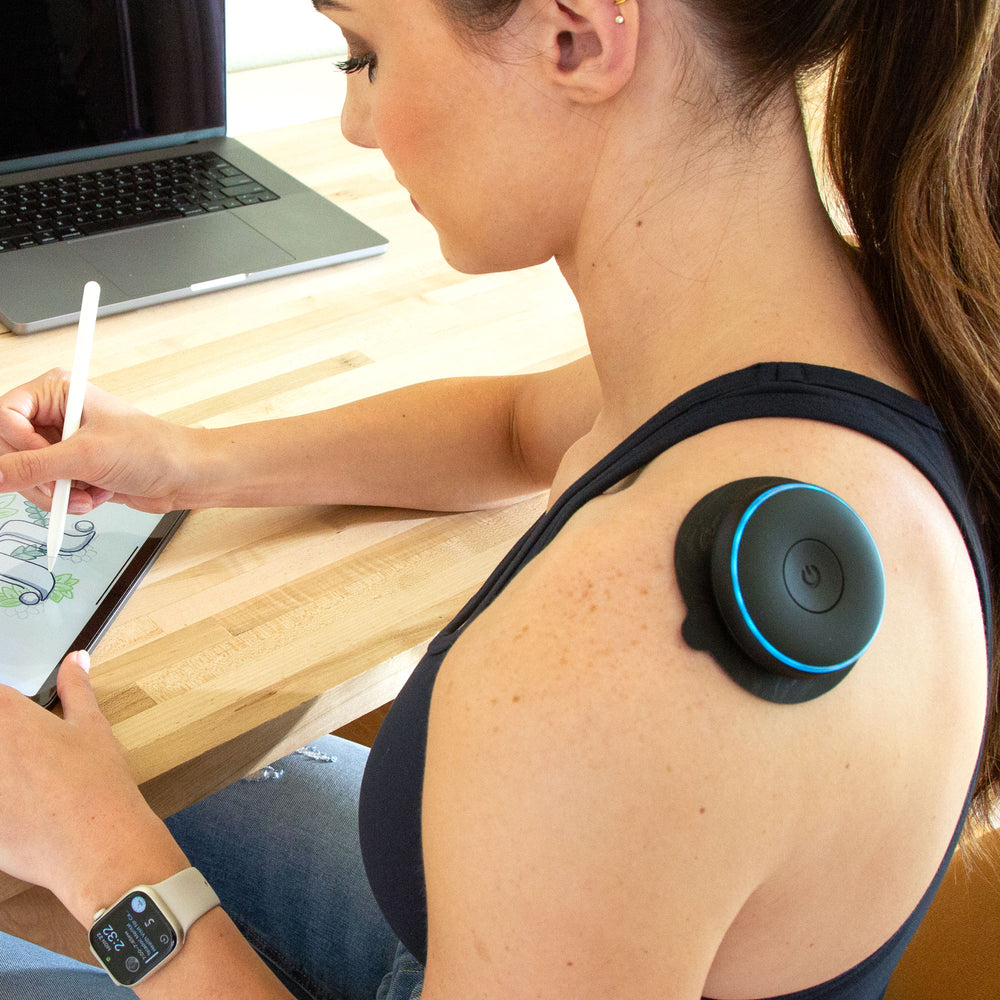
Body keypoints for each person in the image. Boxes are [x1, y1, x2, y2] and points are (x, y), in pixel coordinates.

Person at [0, 0, 996, 998]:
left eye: (366, 56)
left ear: (580, 38)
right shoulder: (835, 338)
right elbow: (518, 425)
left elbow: (596, 713)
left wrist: (103, 858)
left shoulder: (619, 662)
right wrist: (185, 460)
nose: (356, 122)